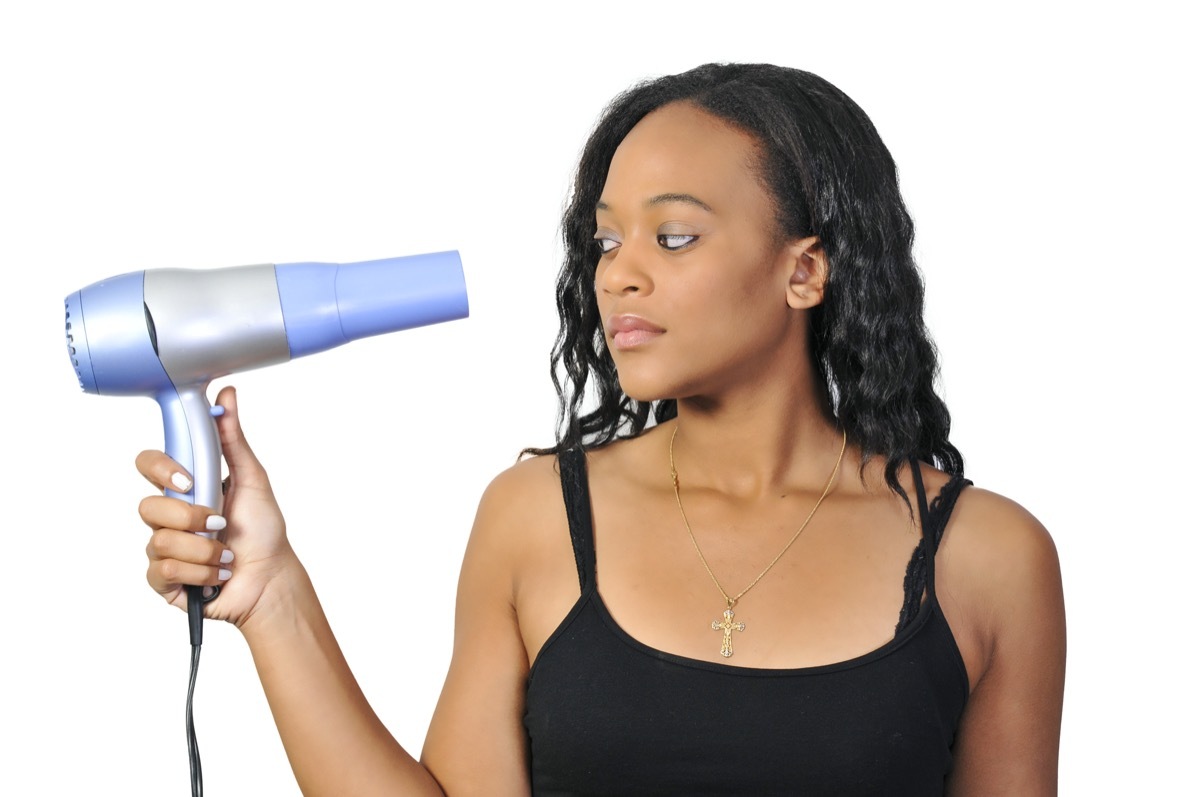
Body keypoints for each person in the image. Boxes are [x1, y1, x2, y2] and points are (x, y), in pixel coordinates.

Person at [136, 63, 1066, 795]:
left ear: (805, 271)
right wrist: (270, 595)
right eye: (604, 240)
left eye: (673, 238)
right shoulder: (535, 517)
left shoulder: (985, 557)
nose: (618, 275)